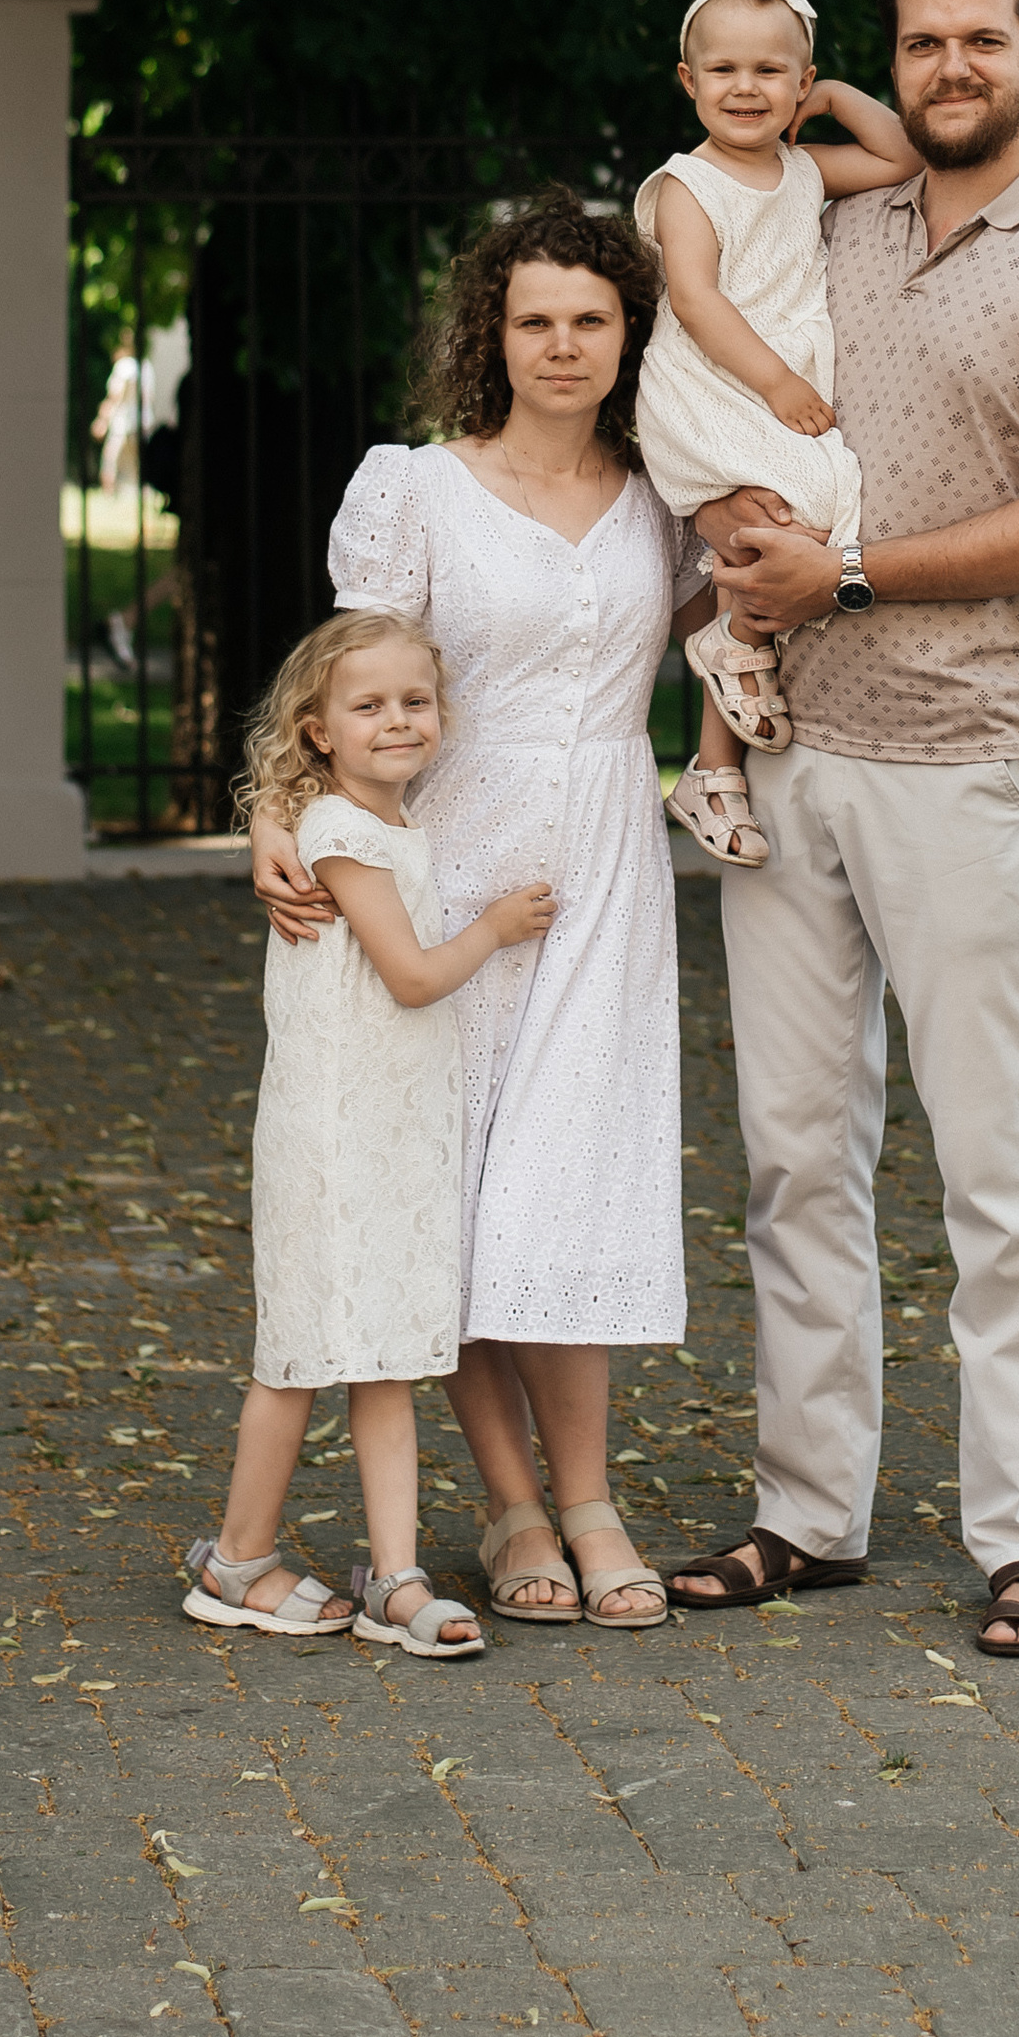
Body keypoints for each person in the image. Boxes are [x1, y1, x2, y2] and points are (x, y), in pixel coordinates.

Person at [663, 0, 1019, 1662]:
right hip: (788, 749)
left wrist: (849, 576)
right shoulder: (833, 216)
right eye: (922, 44)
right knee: (795, 1157)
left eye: (979, 42)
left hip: (963, 758)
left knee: (994, 1161)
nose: (951, 69)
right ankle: (810, 1511)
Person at [249, 191, 696, 1631]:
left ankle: (593, 1501)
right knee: (451, 1191)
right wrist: (274, 816)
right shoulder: (416, 487)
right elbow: (341, 674)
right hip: (446, 868)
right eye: (534, 319)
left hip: (607, 867)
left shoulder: (670, 489)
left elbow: (747, 629)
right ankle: (513, 1508)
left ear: (630, 333)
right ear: (489, 336)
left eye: (590, 318)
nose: (562, 345)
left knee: (566, 1185)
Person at [184, 611, 553, 1657]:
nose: (398, 720)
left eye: (414, 701)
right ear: (317, 731)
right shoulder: (342, 836)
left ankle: (396, 1576)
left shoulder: (383, 823)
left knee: (385, 1356)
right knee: (298, 1356)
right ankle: (236, 1558)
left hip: (387, 1139)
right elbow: (411, 974)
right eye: (369, 705)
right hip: (333, 1145)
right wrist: (494, 926)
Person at [633, 0, 920, 869]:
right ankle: (728, 659)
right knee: (792, 523)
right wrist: (776, 382)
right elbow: (695, 297)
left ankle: (714, 760)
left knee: (814, 521)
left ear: (801, 84)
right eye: (724, 69)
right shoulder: (689, 184)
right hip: (711, 380)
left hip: (764, 384)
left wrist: (834, 101)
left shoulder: (803, 168)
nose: (747, 87)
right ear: (688, 80)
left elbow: (905, 156)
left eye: (773, 71)